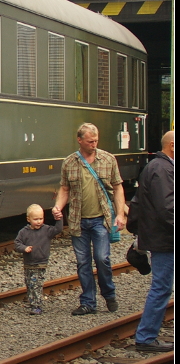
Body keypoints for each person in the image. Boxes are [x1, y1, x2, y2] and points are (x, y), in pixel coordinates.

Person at [53, 123, 127, 316]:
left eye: (96, 140)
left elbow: (118, 187)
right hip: (78, 221)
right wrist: (58, 207)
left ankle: (109, 294)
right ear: (80, 140)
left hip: (101, 220)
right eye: (90, 141)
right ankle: (88, 302)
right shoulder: (69, 162)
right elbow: (64, 189)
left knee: (102, 259)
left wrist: (120, 214)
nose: (94, 144)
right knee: (83, 263)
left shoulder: (108, 160)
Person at [133, 131, 174, 353]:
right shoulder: (162, 169)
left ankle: (146, 335)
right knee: (161, 287)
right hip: (165, 239)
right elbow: (167, 208)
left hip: (162, 238)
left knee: (162, 286)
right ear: (172, 146)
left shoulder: (160, 167)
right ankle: (146, 337)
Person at [14, 204, 63, 314]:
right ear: (29, 219)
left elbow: (58, 229)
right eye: (36, 219)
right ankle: (32, 302)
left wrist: (59, 218)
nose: (39, 221)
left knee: (36, 283)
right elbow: (17, 244)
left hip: (40, 263)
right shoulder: (24, 232)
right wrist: (24, 248)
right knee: (29, 283)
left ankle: (37, 305)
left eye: (41, 219)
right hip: (28, 263)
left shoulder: (46, 230)